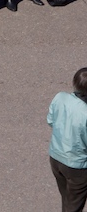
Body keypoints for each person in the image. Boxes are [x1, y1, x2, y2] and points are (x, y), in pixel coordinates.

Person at [48, 68, 87, 212]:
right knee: (74, 205)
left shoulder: (60, 97)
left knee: (66, 198)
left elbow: (50, 120)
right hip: (77, 165)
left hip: (56, 158)